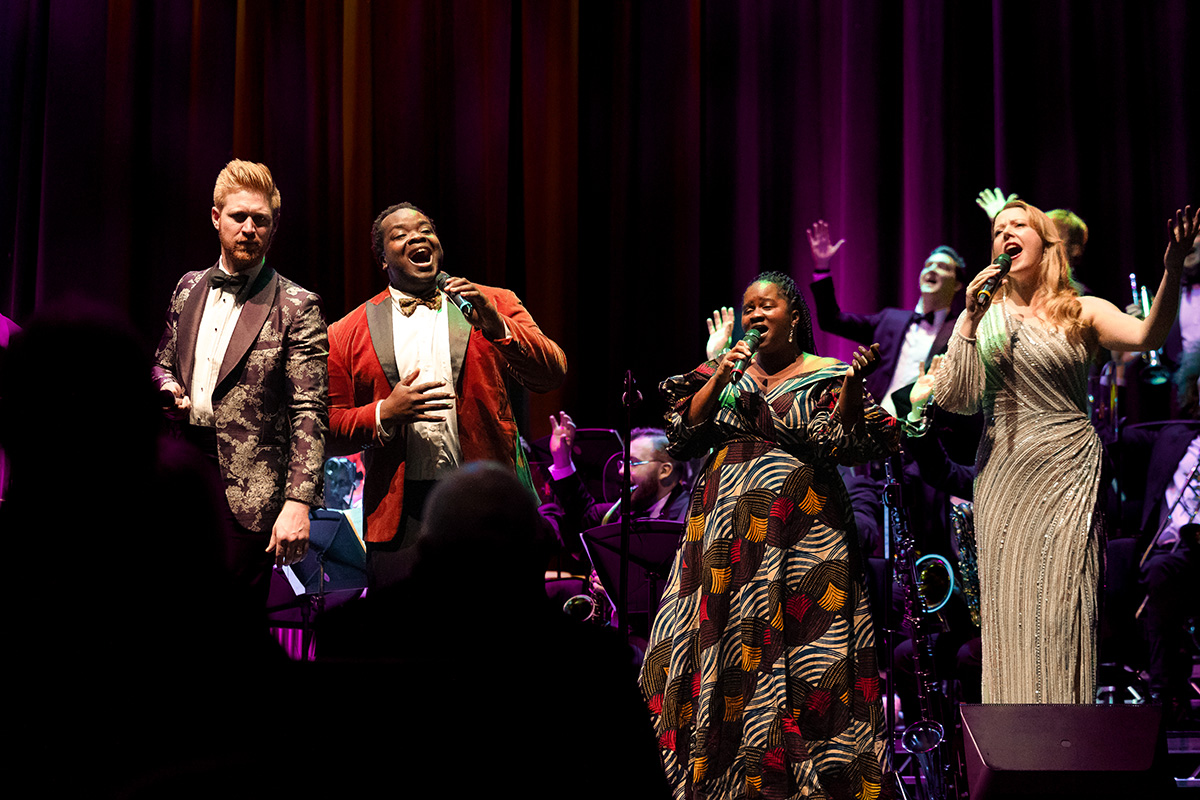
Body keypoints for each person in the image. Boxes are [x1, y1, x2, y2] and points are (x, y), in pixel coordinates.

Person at [639, 272, 900, 800]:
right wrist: (721, 371)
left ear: (795, 316)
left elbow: (848, 444)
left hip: (802, 531)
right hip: (722, 531)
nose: (755, 315)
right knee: (724, 644)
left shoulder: (826, 372)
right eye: (748, 308)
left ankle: (806, 774)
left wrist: (852, 385)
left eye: (767, 306)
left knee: (806, 651)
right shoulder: (727, 370)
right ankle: (718, 776)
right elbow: (683, 433)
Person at [935, 199, 1199, 704]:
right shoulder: (984, 316)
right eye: (997, 229)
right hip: (1004, 474)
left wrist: (1170, 271)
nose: (1006, 234)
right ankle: (1015, 748)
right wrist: (967, 320)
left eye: (1018, 225)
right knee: (1011, 611)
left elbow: (1149, 335)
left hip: (1067, 470)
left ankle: (1064, 740)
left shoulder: (1082, 309)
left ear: (1046, 242)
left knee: (1060, 609)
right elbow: (956, 398)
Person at [326, 202, 567, 588]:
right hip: (400, 518)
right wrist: (384, 413)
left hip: (490, 505)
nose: (418, 236)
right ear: (382, 258)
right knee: (407, 644)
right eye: (400, 234)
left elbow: (552, 372)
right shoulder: (345, 332)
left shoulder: (494, 301)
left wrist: (496, 324)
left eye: (425, 229)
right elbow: (328, 429)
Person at [152, 159, 328, 613]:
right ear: (216, 218)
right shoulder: (188, 286)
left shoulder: (297, 304)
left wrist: (298, 503)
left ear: (273, 227)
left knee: (228, 623)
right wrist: (168, 387)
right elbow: (161, 362)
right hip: (179, 473)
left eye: (260, 220)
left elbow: (310, 409)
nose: (249, 228)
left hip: (247, 492)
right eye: (238, 217)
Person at [807, 219, 966, 418]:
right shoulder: (890, 319)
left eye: (942, 267)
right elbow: (832, 320)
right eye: (928, 265)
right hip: (873, 423)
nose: (932, 269)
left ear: (958, 283)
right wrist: (822, 268)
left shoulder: (961, 331)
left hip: (922, 431)